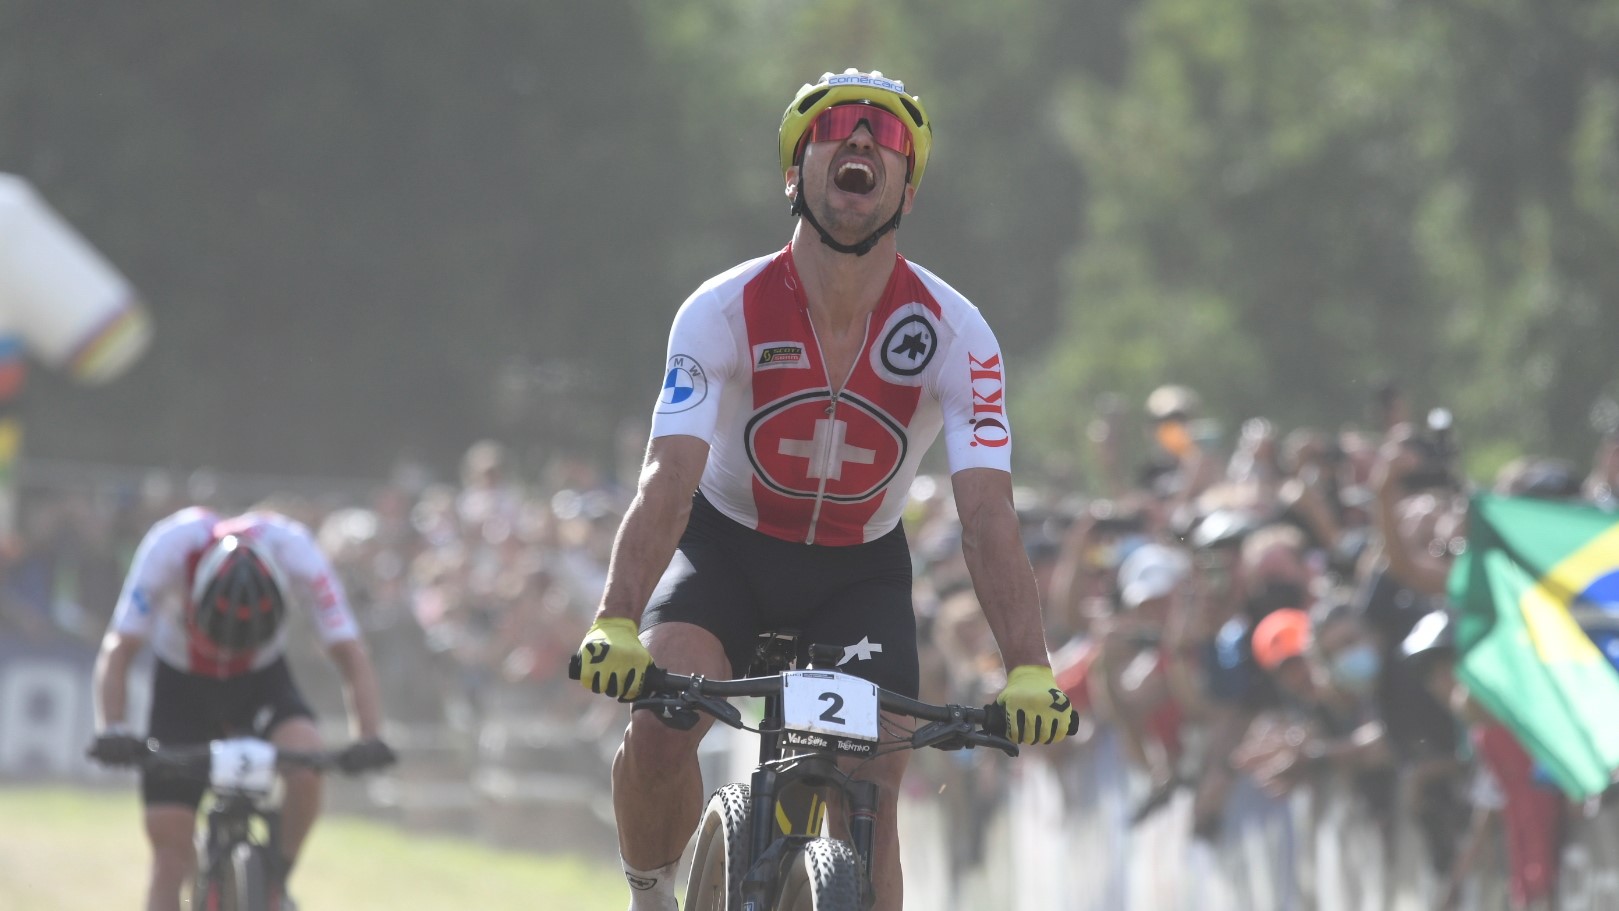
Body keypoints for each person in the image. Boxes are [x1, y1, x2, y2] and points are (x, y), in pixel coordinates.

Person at [571, 68, 1078, 911]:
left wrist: (1029, 668)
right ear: (792, 173)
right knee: (659, 725)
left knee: (869, 792)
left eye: (888, 136)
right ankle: (650, 896)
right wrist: (615, 618)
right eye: (837, 127)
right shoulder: (721, 309)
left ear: (906, 191)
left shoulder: (957, 332)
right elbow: (668, 477)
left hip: (857, 573)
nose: (862, 140)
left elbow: (987, 513)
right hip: (726, 548)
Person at [87, 506, 397, 911]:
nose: (228, 650)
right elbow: (119, 647)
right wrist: (112, 729)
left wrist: (369, 737)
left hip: (260, 680)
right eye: (219, 637)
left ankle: (277, 880)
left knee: (307, 762)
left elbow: (350, 653)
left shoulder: (295, 550)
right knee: (169, 857)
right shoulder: (170, 547)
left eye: (242, 639)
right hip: (182, 687)